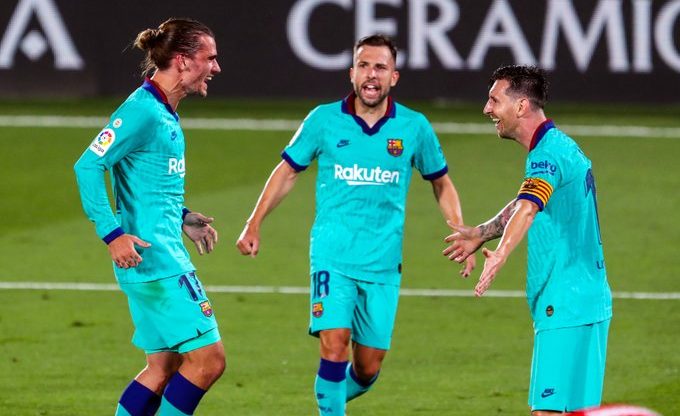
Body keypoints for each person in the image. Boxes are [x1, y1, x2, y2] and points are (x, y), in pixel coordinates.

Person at [236, 34, 475, 415]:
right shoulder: (323, 120)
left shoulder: (414, 127)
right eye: (364, 65)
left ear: (394, 77)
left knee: (368, 367)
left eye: (380, 67)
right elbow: (287, 171)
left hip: (382, 262)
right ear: (351, 73)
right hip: (332, 255)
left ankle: (329, 397)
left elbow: (441, 182)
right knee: (334, 344)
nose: (371, 74)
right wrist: (254, 222)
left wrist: (461, 229)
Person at [74, 18, 224, 416]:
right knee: (209, 362)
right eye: (209, 58)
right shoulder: (142, 111)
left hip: (154, 256)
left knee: (162, 367)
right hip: (157, 263)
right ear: (183, 60)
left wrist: (182, 216)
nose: (216, 67)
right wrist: (112, 234)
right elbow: (87, 166)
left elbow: (149, 185)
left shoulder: (162, 110)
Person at [443, 65, 612, 415]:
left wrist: (501, 253)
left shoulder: (546, 155)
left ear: (520, 106)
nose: (487, 109)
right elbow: (527, 200)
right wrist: (482, 232)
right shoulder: (561, 146)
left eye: (494, 100)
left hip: (563, 303)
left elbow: (529, 208)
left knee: (546, 411)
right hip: (591, 300)